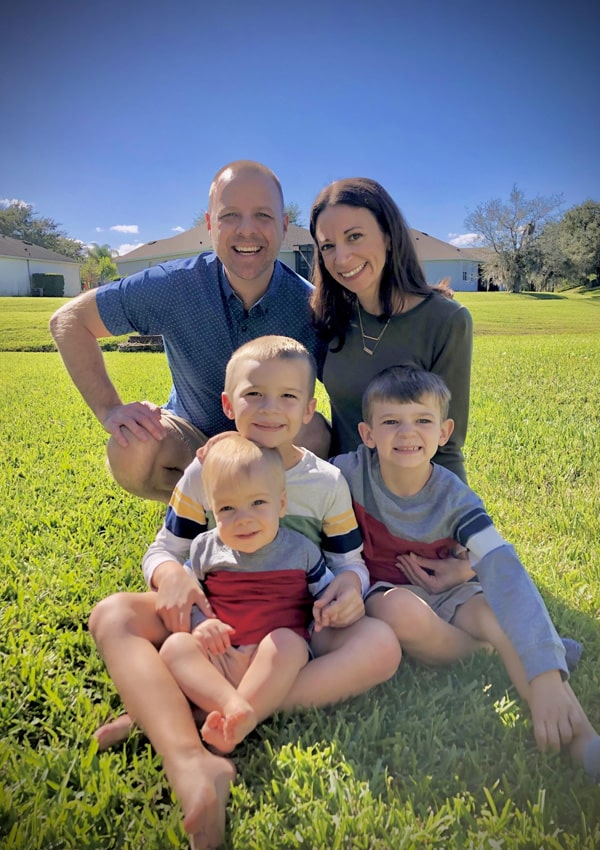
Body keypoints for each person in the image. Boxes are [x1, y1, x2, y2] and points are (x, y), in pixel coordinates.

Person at [88, 336, 400, 849]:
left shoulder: (324, 482)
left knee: (382, 645)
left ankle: (185, 708)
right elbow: (164, 549)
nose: (270, 409)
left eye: (287, 397)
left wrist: (349, 588)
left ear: (308, 411)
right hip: (216, 621)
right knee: (113, 615)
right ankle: (191, 762)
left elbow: (349, 565)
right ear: (229, 405)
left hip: (296, 629)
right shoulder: (202, 471)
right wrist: (172, 575)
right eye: (254, 395)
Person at [330, 364, 600, 779]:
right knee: (398, 611)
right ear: (367, 434)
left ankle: (582, 739)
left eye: (422, 420)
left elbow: (503, 569)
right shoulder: (348, 472)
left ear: (443, 431)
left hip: (453, 592)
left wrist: (545, 672)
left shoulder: (455, 497)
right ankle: (487, 652)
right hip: (388, 592)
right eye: (391, 422)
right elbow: (296, 476)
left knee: (495, 618)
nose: (407, 433)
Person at [50, 160, 328, 503]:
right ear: (210, 225)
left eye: (263, 215)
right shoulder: (173, 286)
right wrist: (110, 410)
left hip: (271, 439)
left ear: (284, 226)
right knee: (132, 449)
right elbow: (69, 321)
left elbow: (352, 383)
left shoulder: (313, 305)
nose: (246, 230)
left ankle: (270, 514)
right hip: (191, 440)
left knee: (314, 434)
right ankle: (196, 510)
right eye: (229, 216)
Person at [160, 434, 335, 755]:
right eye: (227, 507)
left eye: (258, 503)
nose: (244, 518)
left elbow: (325, 592)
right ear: (212, 508)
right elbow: (191, 593)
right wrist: (201, 624)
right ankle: (232, 705)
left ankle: (234, 716)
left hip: (275, 662)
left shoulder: (302, 550)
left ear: (281, 504)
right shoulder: (204, 548)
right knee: (175, 646)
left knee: (287, 642)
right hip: (221, 654)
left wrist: (332, 609)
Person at [309, 177, 472, 482]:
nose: (342, 258)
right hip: (341, 496)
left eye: (354, 236)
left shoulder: (447, 321)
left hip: (408, 500)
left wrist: (460, 519)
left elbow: (447, 447)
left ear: (388, 236)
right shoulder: (330, 316)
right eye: (328, 246)